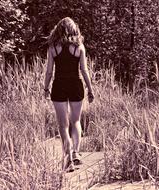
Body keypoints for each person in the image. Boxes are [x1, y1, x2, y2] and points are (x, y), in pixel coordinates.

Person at [44, 17, 94, 172]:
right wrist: (90, 89)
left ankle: (68, 159)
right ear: (74, 29)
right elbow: (84, 70)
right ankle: (75, 152)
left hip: (59, 85)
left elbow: (49, 71)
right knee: (76, 121)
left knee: (63, 125)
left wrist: (45, 88)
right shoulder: (79, 47)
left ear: (58, 29)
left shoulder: (53, 47)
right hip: (75, 85)